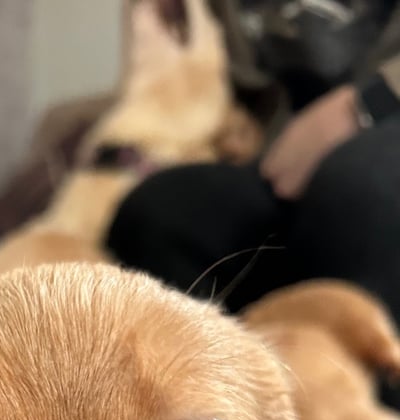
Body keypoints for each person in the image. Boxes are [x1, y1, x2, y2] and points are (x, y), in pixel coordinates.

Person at [107, 1, 400, 345]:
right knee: (158, 214)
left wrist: (367, 104)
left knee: (361, 188)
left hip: (379, 132)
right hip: (278, 158)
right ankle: (225, 373)